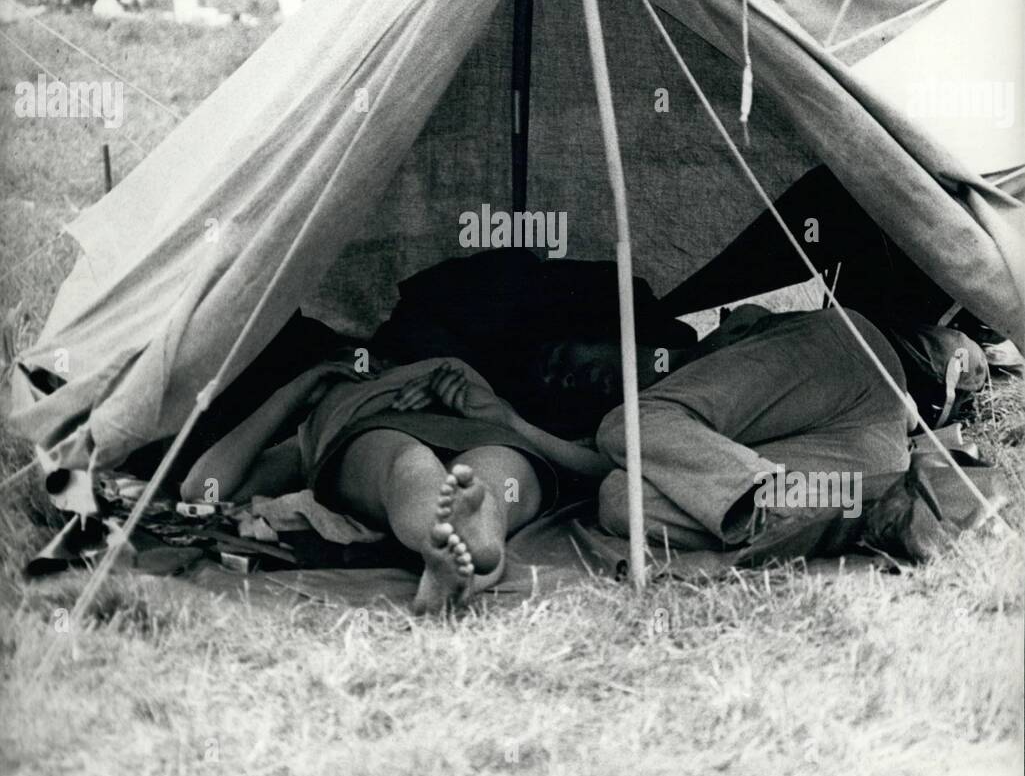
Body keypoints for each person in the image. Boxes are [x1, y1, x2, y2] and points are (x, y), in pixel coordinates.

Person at [180, 354, 610, 613]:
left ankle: (454, 564)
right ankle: (458, 544)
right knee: (422, 469)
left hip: (486, 429)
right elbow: (204, 489)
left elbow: (608, 468)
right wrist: (304, 387)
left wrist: (501, 416)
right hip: (374, 432)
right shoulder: (315, 430)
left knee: (478, 480)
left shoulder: (487, 384)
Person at [529, 304, 917, 556]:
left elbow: (626, 430)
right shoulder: (656, 422)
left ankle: (779, 513)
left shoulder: (718, 343)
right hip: (867, 464)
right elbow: (620, 453)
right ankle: (833, 512)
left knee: (627, 423)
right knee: (622, 499)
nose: (565, 380)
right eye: (556, 387)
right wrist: (510, 423)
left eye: (560, 358)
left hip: (845, 360)